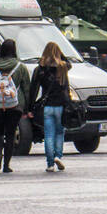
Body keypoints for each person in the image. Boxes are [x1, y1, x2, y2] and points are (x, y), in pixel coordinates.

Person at [0, 38, 31, 174]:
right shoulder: (20, 67)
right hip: (14, 106)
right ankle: (7, 165)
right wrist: (27, 106)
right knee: (10, 134)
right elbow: (27, 88)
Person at [29, 42, 72, 172]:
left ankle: (50, 164)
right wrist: (59, 56)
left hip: (47, 106)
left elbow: (33, 89)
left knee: (48, 135)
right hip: (61, 106)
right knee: (60, 133)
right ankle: (58, 156)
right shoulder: (63, 67)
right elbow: (69, 64)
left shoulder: (40, 69)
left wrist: (30, 108)